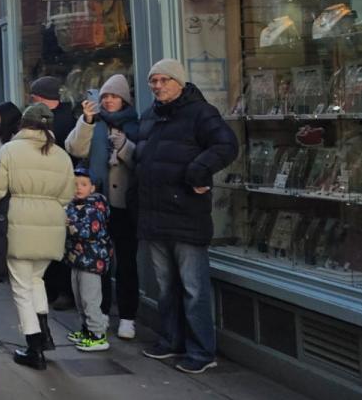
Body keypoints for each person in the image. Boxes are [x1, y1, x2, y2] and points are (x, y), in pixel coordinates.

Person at [136, 59, 238, 375]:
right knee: (165, 287)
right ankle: (171, 340)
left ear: (179, 82)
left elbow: (227, 145)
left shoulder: (201, 113)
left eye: (164, 80)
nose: (157, 86)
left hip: (186, 215)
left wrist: (198, 170)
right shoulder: (149, 115)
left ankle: (201, 351)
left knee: (194, 289)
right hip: (154, 215)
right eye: (153, 81)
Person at [0, 103, 76, 371]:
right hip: (51, 225)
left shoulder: (10, 150)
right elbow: (66, 196)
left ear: (23, 124)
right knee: (36, 280)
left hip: (19, 224)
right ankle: (44, 335)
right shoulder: (61, 155)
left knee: (21, 287)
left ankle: (34, 347)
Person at [65, 74, 140, 339]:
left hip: (123, 205)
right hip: (95, 206)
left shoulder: (135, 124)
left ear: (124, 100)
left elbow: (142, 160)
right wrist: (86, 121)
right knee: (99, 264)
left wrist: (125, 147)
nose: (108, 101)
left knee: (126, 262)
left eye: (114, 96)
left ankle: (128, 317)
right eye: (105, 96)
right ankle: (102, 312)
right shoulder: (93, 122)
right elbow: (74, 148)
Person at [30, 75, 76, 311]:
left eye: (34, 98)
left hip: (59, 188)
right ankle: (52, 289)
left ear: (41, 98)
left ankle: (62, 291)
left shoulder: (62, 121)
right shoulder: (60, 117)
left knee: (59, 243)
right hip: (46, 188)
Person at [64, 167, 113, 353]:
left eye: (83, 184)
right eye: (75, 184)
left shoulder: (95, 208)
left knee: (90, 299)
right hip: (77, 260)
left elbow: (89, 231)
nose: (78, 188)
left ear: (92, 188)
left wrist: (69, 224)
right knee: (79, 298)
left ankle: (98, 334)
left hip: (92, 262)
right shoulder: (72, 205)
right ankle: (86, 329)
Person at [30, 76, 74, 146]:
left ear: (39, 98)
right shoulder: (72, 113)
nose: (31, 102)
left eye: (32, 98)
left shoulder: (41, 119)